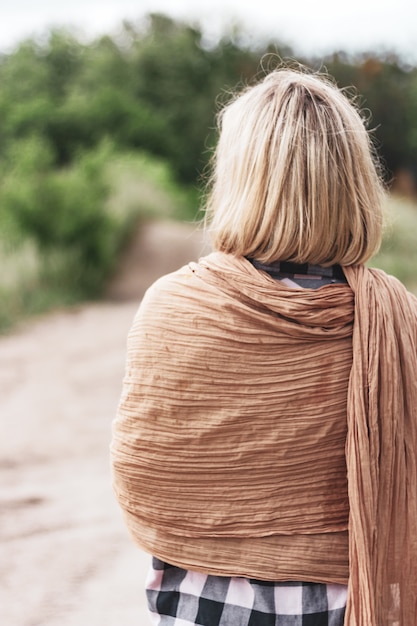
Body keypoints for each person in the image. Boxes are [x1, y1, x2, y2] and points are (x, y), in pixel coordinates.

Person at [111, 66, 417, 626]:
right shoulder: (398, 319)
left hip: (202, 610)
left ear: (238, 178)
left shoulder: (173, 306)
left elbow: (143, 473)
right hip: (356, 608)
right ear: (352, 182)